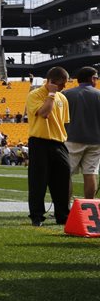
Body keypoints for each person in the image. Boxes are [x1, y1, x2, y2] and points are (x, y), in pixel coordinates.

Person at [25, 67, 72, 226]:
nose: (64, 87)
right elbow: (44, 113)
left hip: (59, 142)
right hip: (40, 142)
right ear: (52, 81)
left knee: (62, 181)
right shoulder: (35, 95)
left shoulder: (63, 98)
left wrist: (55, 94)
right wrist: (51, 94)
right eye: (61, 84)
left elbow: (63, 123)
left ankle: (63, 215)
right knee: (38, 181)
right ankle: (37, 216)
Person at [62, 66, 100, 200]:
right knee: (90, 174)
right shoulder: (99, 94)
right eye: (96, 77)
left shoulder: (66, 94)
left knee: (66, 174)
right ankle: (89, 207)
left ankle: (65, 208)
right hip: (95, 141)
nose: (97, 80)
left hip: (71, 139)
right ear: (91, 78)